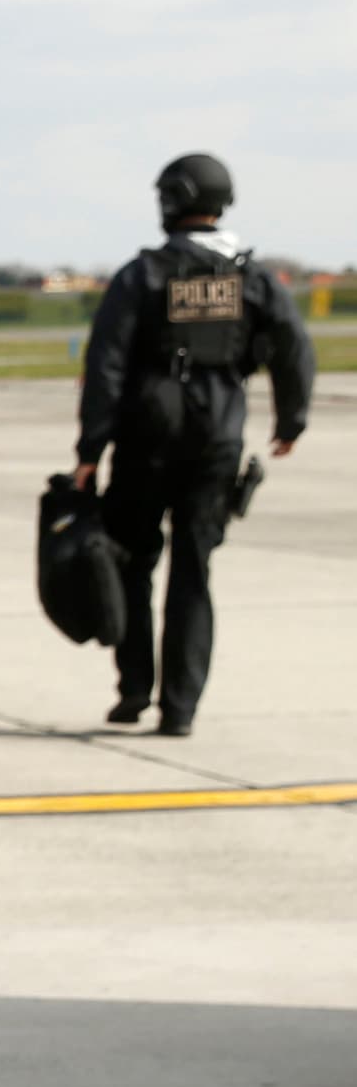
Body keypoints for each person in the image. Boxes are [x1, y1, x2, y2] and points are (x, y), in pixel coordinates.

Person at [74, 152, 314, 735]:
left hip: (147, 441)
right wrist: (290, 422)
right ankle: (180, 709)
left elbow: (105, 363)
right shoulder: (252, 277)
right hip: (216, 442)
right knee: (193, 571)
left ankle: (134, 689)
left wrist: (90, 449)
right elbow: (293, 347)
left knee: (131, 560)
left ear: (172, 200)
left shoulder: (144, 275)